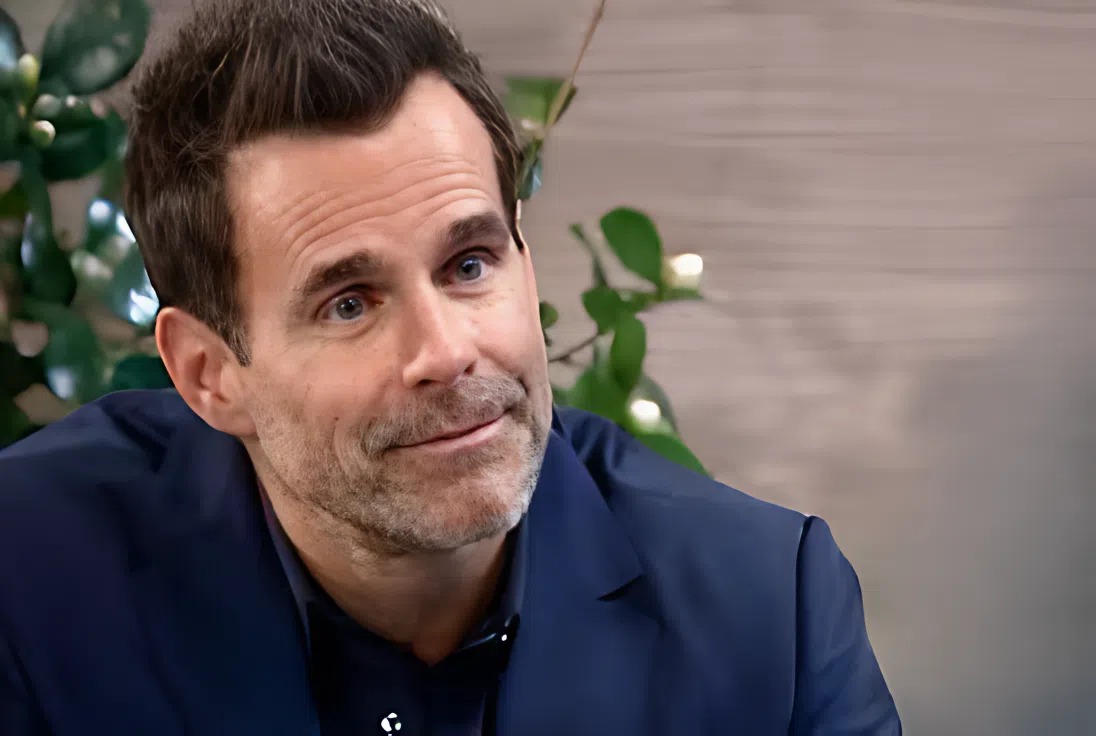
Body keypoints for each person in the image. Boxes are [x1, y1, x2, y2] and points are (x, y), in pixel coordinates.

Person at [0, 0, 901, 733]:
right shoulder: (28, 580)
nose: (446, 351)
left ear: (525, 262)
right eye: (349, 303)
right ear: (209, 375)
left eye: (470, 265)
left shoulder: (770, 616)